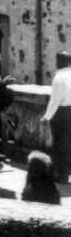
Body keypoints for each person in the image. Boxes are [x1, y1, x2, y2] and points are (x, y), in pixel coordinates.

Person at [42, 50, 71, 183]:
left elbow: (55, 100)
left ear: (58, 62)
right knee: (68, 144)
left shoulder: (59, 78)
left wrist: (46, 117)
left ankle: (61, 175)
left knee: (60, 145)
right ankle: (66, 173)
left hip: (61, 113)